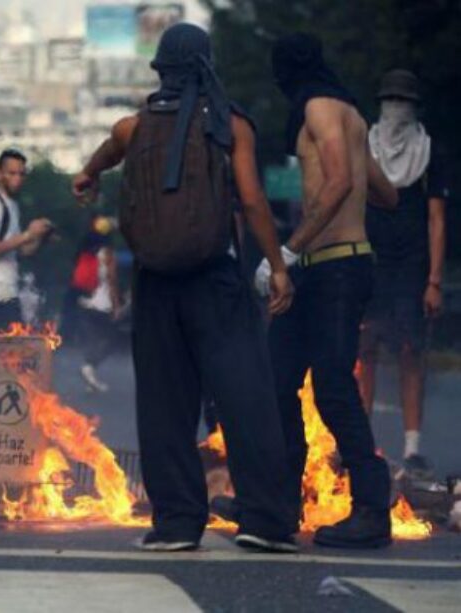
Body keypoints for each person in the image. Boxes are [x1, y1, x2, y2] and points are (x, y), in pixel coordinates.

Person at [73, 23, 297, 553]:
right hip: (213, 279)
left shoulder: (134, 127)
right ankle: (264, 521)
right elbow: (252, 201)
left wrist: (87, 175)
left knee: (165, 403)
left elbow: (107, 153)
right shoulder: (229, 125)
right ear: (206, 66)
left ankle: (175, 523)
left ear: (160, 70)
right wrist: (277, 266)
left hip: (155, 282)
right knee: (246, 396)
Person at [261, 33, 399, 548]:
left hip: (337, 268)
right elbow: (386, 193)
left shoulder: (319, 107)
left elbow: (340, 180)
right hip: (320, 270)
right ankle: (279, 504)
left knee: (335, 388)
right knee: (276, 379)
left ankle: (371, 512)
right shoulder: (350, 115)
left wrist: (289, 250)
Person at [359, 70, 449, 476]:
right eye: (390, 100)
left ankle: (412, 447)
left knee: (411, 352)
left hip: (411, 267)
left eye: (404, 102)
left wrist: (433, 280)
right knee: (365, 350)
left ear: (415, 109)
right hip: (369, 261)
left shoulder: (429, 153)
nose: (397, 109)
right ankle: (359, 443)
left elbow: (436, 218)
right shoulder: (364, 146)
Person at [0, 150, 53, 332]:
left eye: (21, 174)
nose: (17, 178)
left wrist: (39, 237)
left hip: (7, 291)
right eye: (11, 173)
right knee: (9, 353)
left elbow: (21, 251)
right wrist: (27, 234)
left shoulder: (12, 205)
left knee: (10, 355)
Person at [72, 216, 121, 393]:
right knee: (112, 340)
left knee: (92, 340)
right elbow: (112, 280)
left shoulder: (85, 251)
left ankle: (90, 380)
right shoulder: (108, 253)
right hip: (102, 304)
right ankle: (89, 366)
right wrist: (116, 306)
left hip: (85, 302)